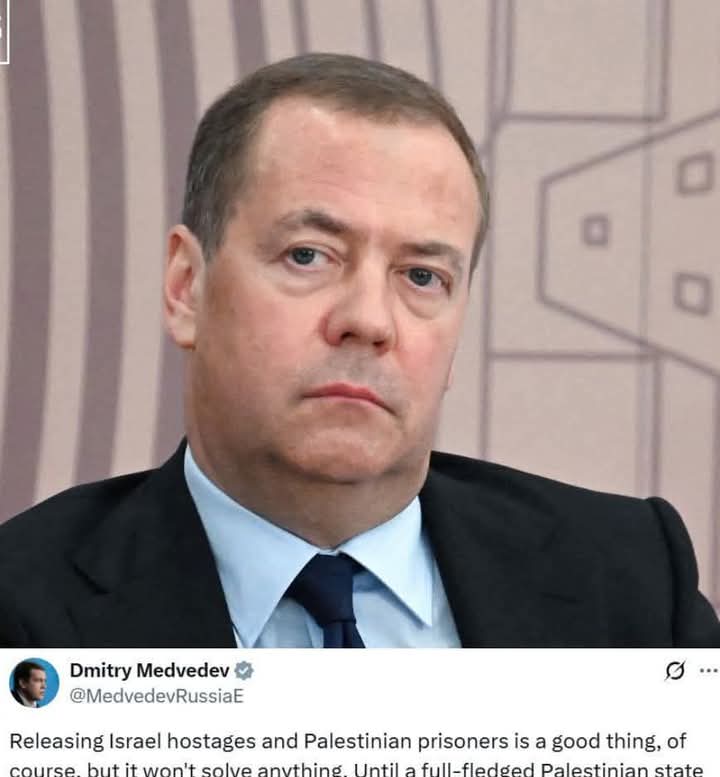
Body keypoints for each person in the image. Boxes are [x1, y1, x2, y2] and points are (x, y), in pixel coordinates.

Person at [0, 54, 718, 648]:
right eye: (308, 255)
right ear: (187, 287)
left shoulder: (630, 585)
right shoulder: (22, 609)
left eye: (422, 276)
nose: (370, 320)